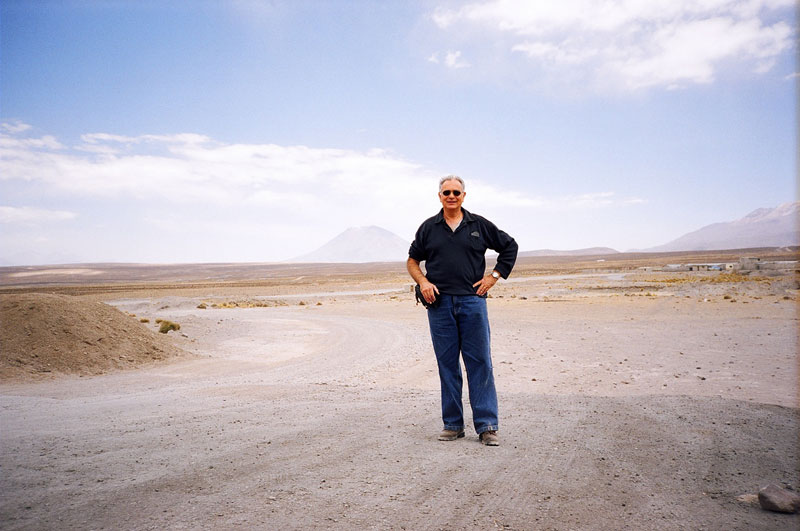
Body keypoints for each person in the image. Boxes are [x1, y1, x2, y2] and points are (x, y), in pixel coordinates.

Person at [407, 175, 518, 446]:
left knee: (480, 363)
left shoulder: (478, 225)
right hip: (440, 305)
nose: (452, 196)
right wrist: (423, 282)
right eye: (447, 192)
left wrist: (493, 276)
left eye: (456, 192)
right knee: (447, 365)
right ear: (440, 196)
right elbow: (412, 260)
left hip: (472, 302)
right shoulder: (428, 228)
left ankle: (487, 426)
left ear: (464, 196)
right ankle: (453, 425)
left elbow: (509, 247)